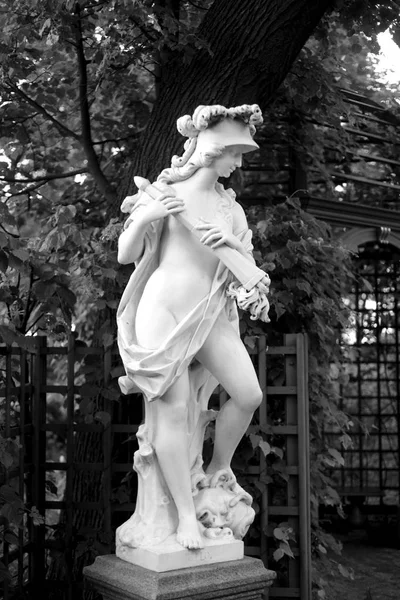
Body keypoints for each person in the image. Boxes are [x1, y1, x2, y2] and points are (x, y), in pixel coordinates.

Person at [116, 104, 269, 552]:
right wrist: (147, 215)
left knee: (249, 394)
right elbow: (127, 254)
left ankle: (218, 470)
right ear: (213, 150)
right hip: (162, 309)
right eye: (235, 154)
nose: (239, 165)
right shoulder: (163, 192)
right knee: (173, 411)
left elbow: (249, 275)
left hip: (209, 313)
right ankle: (185, 515)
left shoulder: (229, 208)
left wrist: (233, 253)